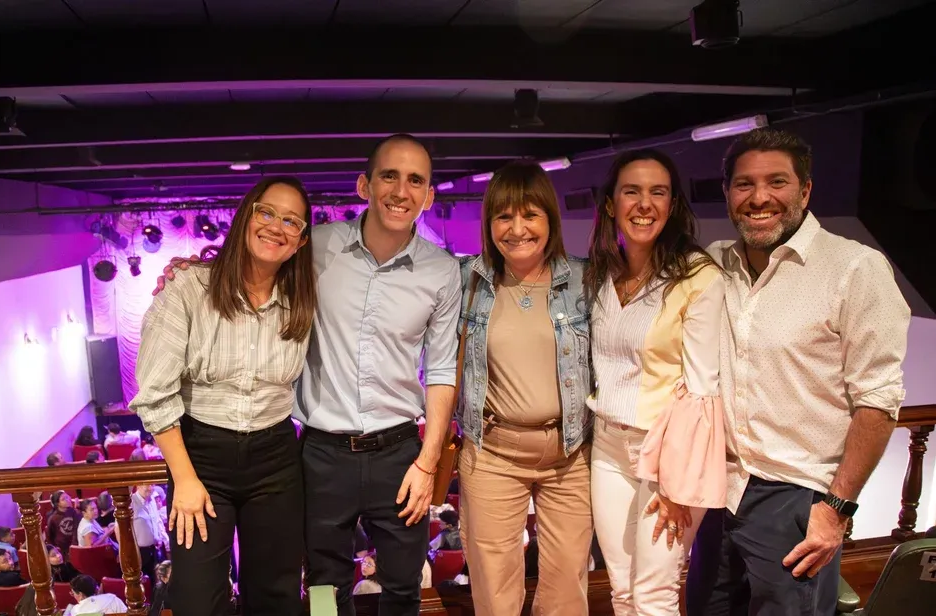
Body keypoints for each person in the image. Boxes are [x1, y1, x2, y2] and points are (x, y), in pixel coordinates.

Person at [154, 134, 461, 616]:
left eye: (415, 180)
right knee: (323, 584)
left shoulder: (443, 271)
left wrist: (428, 462)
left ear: (429, 195)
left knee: (404, 582)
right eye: (389, 175)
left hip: (400, 452)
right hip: (321, 455)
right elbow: (252, 262)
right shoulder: (314, 246)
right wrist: (192, 267)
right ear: (365, 184)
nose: (401, 190)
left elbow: (442, 368)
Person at [686, 128, 910, 616]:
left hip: (796, 497)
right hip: (719, 487)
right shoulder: (715, 263)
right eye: (744, 184)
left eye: (777, 182)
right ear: (727, 193)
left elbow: (878, 401)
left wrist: (836, 510)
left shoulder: (854, 268)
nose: (759, 197)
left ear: (805, 190)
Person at [130, 176, 317, 616]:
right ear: (246, 215)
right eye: (267, 212)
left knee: (277, 595)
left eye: (292, 221)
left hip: (275, 457)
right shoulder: (189, 288)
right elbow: (155, 394)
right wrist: (186, 478)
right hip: (201, 459)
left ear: (301, 240)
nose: (277, 226)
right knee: (196, 599)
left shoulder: (304, 298)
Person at [585, 148, 726, 616]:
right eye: (632, 191)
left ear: (672, 205)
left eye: (657, 192)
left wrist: (676, 484)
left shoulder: (697, 276)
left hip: (668, 455)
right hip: (607, 446)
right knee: (622, 591)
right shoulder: (603, 274)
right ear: (610, 204)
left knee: (654, 595)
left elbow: (704, 388)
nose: (644, 204)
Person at [454, 161, 594, 615]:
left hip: (570, 455)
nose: (517, 229)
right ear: (488, 222)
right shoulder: (468, 281)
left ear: (550, 219)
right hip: (492, 453)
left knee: (567, 587)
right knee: (494, 590)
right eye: (503, 217)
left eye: (530, 215)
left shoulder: (584, 280)